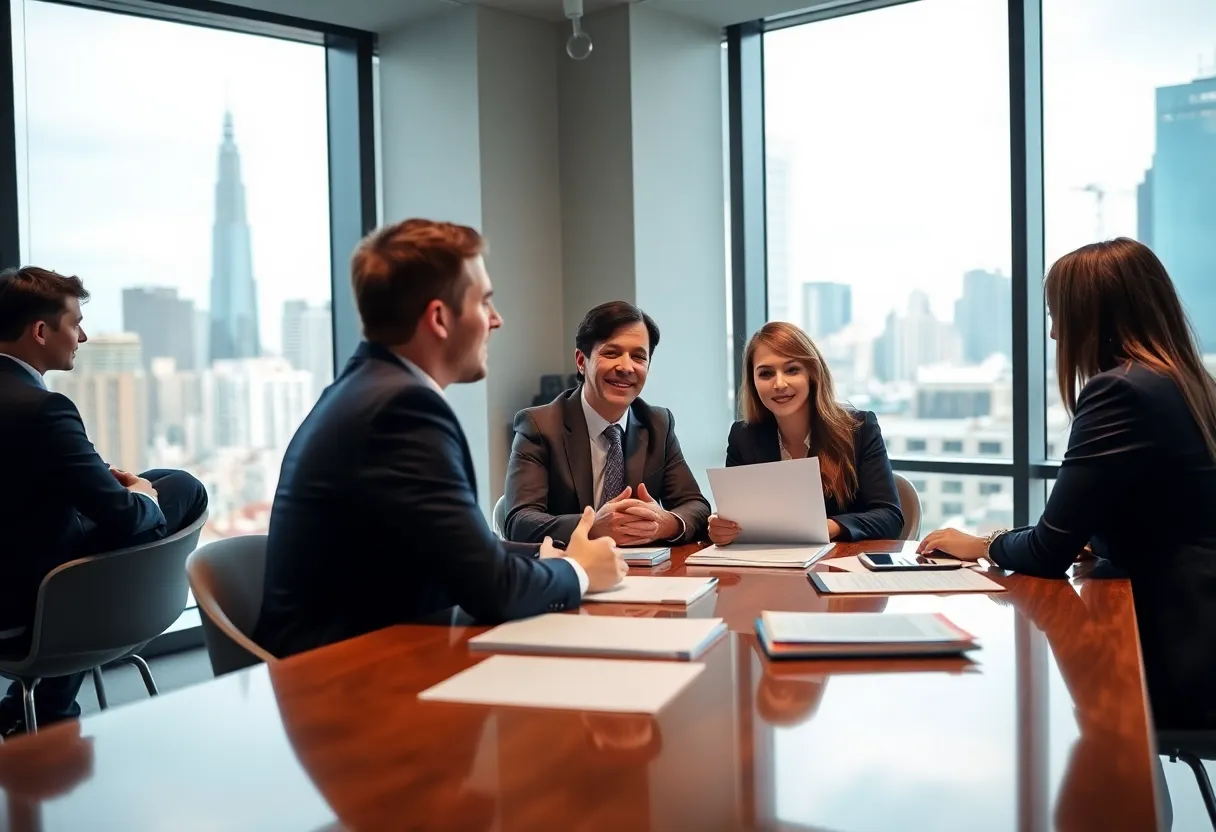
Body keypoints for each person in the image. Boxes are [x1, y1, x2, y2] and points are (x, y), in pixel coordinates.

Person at [255, 219, 625, 658]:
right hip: (343, 684)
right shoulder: (402, 411)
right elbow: (491, 591)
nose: (496, 320)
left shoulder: (366, 390)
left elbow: (458, 547)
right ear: (439, 318)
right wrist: (579, 572)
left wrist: (551, 555)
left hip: (363, 663)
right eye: (485, 302)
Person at [918, 238, 1216, 730]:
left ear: (1094, 318)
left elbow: (1047, 551)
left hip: (1175, 655)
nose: (1055, 334)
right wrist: (1089, 536)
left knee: (990, 695)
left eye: (1059, 315)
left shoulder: (1119, 390)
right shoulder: (1186, 382)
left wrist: (982, 543)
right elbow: (1163, 513)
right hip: (1199, 632)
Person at [0, 266, 208, 735]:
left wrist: (95, 483)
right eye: (74, 323)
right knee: (177, 488)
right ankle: (49, 710)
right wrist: (139, 496)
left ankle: (29, 707)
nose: (83, 336)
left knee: (142, 498)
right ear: (39, 331)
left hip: (12, 579)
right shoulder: (43, 409)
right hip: (32, 609)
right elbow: (117, 515)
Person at [501, 301, 711, 547]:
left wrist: (665, 522)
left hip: (647, 575)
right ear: (581, 360)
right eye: (611, 353)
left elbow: (696, 506)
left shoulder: (658, 424)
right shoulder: (539, 426)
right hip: (570, 572)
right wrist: (593, 526)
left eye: (638, 357)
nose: (625, 367)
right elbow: (519, 521)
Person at [709, 322, 903, 545]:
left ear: (812, 373)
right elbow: (737, 520)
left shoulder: (859, 429)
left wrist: (828, 527)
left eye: (792, 370)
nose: (779, 384)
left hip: (840, 569)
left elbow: (890, 517)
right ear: (753, 382)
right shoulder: (742, 437)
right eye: (766, 374)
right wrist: (721, 529)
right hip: (771, 570)